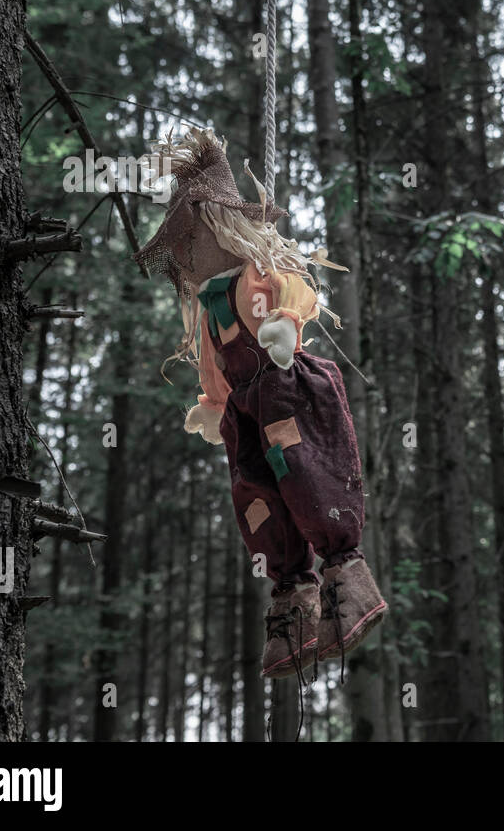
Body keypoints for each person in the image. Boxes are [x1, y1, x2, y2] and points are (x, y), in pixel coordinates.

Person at [133, 127, 386, 680]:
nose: (183, 253)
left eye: (187, 237)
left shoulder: (258, 273)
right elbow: (213, 364)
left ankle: (347, 574)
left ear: (220, 226)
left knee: (308, 471)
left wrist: (284, 327)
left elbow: (297, 291)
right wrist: (214, 403)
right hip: (243, 411)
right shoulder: (209, 309)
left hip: (287, 389)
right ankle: (294, 596)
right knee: (255, 495)